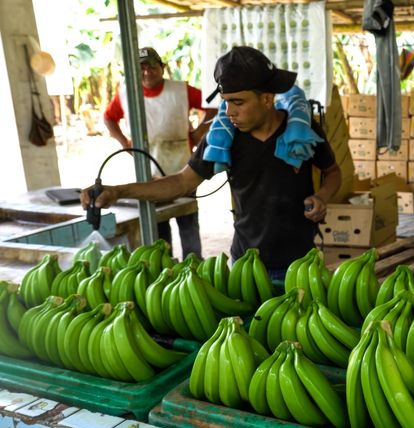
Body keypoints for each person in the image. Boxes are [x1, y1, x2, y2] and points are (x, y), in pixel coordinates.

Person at [85, 46, 341, 279]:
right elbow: (182, 182)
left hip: (300, 262)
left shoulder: (303, 132)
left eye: (238, 102)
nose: (230, 112)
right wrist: (118, 191)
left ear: (267, 98)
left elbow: (332, 172)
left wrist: (323, 196)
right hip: (246, 263)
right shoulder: (224, 137)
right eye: (226, 102)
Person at [103, 47, 216, 259]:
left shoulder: (180, 90)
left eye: (152, 67)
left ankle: (195, 264)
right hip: (149, 169)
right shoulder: (126, 93)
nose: (147, 72)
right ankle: (166, 265)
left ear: (162, 68)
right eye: (141, 68)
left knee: (188, 219)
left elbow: (213, 107)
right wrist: (123, 142)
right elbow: (109, 117)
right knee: (158, 223)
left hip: (182, 164)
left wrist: (199, 132)